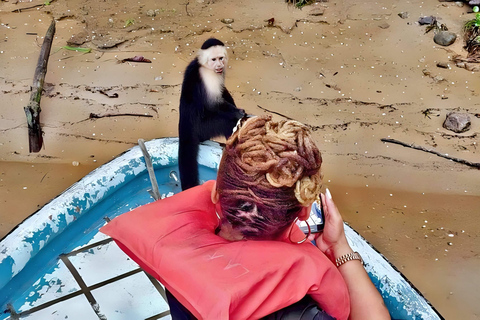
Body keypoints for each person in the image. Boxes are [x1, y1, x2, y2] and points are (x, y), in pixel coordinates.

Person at [101, 115, 389, 319]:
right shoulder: (300, 313)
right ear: (303, 211)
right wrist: (340, 248)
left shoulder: (175, 247)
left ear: (215, 194)